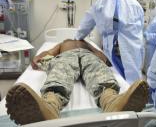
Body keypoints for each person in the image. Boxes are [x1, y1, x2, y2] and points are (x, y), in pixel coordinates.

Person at [6, 39, 148, 125]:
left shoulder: (86, 43)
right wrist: (40, 57)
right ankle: (49, 107)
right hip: (66, 56)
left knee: (98, 70)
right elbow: (47, 54)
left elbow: (104, 59)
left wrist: (94, 52)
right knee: (61, 70)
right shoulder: (63, 44)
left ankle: (111, 102)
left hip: (88, 56)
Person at [75, 0, 145, 84]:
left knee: (115, 74)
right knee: (133, 72)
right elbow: (140, 27)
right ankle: (134, 91)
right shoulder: (136, 4)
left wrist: (77, 38)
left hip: (113, 44)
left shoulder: (103, 1)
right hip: (132, 45)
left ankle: (120, 95)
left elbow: (87, 21)